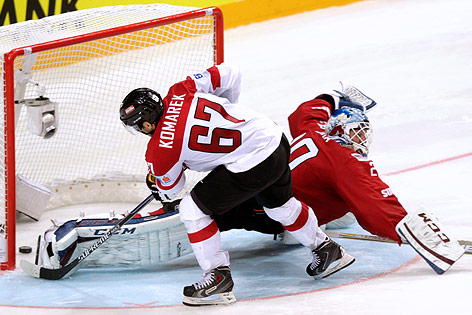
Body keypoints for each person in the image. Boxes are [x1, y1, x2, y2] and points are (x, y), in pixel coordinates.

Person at [118, 64, 354, 306]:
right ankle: (326, 249)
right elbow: (230, 74)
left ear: (146, 124)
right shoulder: (181, 90)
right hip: (274, 138)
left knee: (191, 209)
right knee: (280, 206)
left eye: (137, 126)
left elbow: (170, 190)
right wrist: (227, 112)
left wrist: (158, 181)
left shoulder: (160, 149)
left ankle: (217, 278)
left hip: (253, 162)